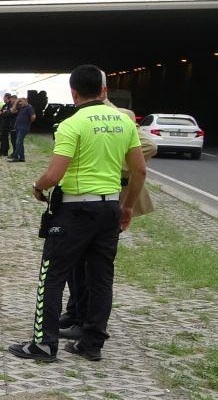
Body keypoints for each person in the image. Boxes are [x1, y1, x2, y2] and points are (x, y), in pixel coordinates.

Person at [9, 65, 147, 362]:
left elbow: (55, 174)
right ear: (104, 90)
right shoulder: (125, 123)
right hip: (109, 207)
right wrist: (128, 207)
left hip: (74, 211)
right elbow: (140, 169)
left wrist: (37, 186)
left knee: (53, 274)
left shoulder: (72, 124)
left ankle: (44, 344)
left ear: (73, 92)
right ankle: (92, 343)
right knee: (101, 278)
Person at [58, 97, 156, 337]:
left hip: (108, 199)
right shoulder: (82, 119)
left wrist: (116, 160)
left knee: (93, 269)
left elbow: (149, 149)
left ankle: (87, 323)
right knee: (80, 266)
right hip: (91, 199)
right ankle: (77, 313)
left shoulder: (122, 117)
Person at [9, 97, 36, 162]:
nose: (20, 103)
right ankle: (22, 157)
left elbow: (33, 116)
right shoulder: (21, 107)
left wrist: (28, 122)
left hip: (24, 127)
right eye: (19, 102)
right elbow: (12, 111)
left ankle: (15, 157)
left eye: (21, 101)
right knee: (20, 142)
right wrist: (16, 102)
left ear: (26, 100)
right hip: (18, 127)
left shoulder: (29, 107)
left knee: (18, 142)